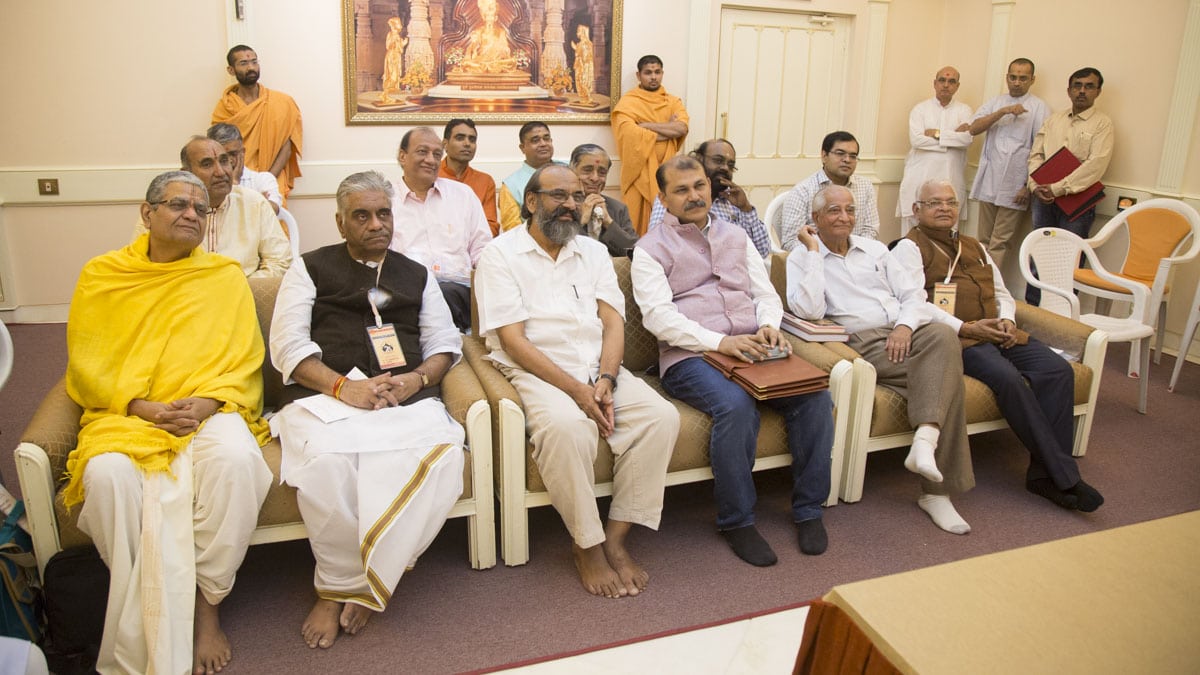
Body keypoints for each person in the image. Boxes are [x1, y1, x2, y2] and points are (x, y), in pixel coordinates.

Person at [66, 171, 272, 675]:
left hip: (210, 408)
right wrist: (142, 408)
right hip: (128, 414)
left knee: (238, 461)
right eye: (178, 205)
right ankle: (148, 611)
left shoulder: (223, 276)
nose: (190, 215)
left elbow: (245, 359)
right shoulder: (103, 275)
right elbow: (88, 364)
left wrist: (206, 402)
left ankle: (207, 608)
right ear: (147, 212)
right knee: (107, 477)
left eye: (200, 210)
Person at [269, 171, 466, 649]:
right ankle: (338, 585)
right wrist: (343, 388)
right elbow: (287, 347)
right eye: (362, 215)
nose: (377, 224)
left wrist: (417, 378)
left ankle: (375, 572)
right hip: (325, 399)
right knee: (327, 466)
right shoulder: (309, 267)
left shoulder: (415, 274)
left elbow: (443, 342)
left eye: (384, 214)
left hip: (404, 397)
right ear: (340, 222)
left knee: (444, 458)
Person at [475, 164, 679, 599]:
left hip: (596, 365)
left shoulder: (593, 252)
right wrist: (577, 392)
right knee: (568, 428)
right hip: (536, 368)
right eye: (558, 196)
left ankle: (617, 538)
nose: (570, 205)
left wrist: (605, 378)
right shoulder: (499, 254)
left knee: (660, 417)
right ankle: (586, 545)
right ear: (532, 202)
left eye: (576, 196)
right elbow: (513, 340)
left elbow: (613, 321)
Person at [633, 156, 834, 566]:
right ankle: (737, 520)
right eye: (682, 190)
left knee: (812, 397)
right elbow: (658, 319)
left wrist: (768, 326)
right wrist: (720, 342)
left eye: (699, 186)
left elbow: (764, 294)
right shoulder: (649, 249)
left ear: (710, 187)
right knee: (736, 406)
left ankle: (809, 510)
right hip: (692, 356)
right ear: (664, 198)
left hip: (752, 346)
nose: (694, 196)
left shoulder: (736, 234)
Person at [893, 180, 1104, 512]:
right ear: (917, 209)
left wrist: (1007, 319)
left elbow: (1003, 292)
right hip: (962, 339)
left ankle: (1041, 476)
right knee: (1009, 380)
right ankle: (1065, 477)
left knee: (1057, 370)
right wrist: (967, 326)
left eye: (951, 202)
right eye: (935, 203)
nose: (945, 208)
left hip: (1002, 332)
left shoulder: (974, 244)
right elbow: (914, 303)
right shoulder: (908, 248)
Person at [787, 184, 975, 535]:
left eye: (850, 210)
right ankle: (936, 492)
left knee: (944, 337)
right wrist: (813, 251)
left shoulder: (875, 249)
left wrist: (904, 327)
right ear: (815, 219)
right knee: (946, 375)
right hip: (863, 341)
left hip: (905, 332)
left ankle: (925, 441)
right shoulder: (801, 258)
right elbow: (809, 310)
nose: (844, 217)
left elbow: (913, 296)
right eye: (833, 211)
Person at [134, 136, 292, 278]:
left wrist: (236, 288)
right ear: (187, 173)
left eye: (224, 161)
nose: (221, 172)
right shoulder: (163, 209)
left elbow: (280, 261)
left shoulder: (254, 203)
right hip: (179, 294)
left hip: (240, 296)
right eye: (207, 164)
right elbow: (140, 262)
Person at [389, 127, 493, 332]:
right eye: (422, 152)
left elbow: (482, 248)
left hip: (458, 290)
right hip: (406, 291)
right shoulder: (385, 199)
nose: (431, 159)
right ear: (402, 156)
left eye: (437, 154)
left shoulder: (462, 195)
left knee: (445, 295)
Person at [1026, 67, 1114, 304]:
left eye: (1089, 86)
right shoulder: (1054, 120)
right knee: (1038, 254)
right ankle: (1034, 313)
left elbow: (1095, 165)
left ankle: (1062, 315)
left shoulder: (1102, 124)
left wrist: (1057, 188)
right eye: (1077, 86)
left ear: (1098, 91)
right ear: (1069, 90)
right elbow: (1036, 155)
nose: (1082, 91)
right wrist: (1035, 186)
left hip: (1077, 202)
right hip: (1043, 199)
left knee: (1069, 260)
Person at [968, 58, 1049, 268]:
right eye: (1013, 77)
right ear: (1007, 77)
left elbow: (1041, 150)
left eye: (1023, 78)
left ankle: (993, 287)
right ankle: (980, 282)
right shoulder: (996, 102)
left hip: (1016, 184)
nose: (1017, 82)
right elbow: (974, 128)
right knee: (983, 240)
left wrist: (1027, 185)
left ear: (1032, 80)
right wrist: (1002, 112)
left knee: (1000, 241)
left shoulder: (1039, 107)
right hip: (989, 180)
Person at [647, 139, 771, 257]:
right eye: (718, 160)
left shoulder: (733, 199)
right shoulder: (674, 198)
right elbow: (656, 247)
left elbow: (762, 251)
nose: (725, 168)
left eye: (730, 165)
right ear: (699, 159)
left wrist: (746, 209)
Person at [211, 45, 303, 200]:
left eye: (254, 62)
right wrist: (237, 180)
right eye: (243, 63)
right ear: (231, 70)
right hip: (235, 181)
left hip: (271, 179)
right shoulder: (225, 108)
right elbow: (220, 150)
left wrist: (265, 181)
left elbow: (286, 148)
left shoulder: (282, 103)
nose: (251, 67)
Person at [611, 55, 689, 234]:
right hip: (638, 174)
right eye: (648, 73)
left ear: (662, 73)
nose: (653, 77)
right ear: (639, 75)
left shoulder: (673, 102)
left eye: (657, 72)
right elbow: (628, 134)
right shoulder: (628, 103)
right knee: (634, 225)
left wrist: (645, 127)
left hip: (668, 174)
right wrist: (667, 129)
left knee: (668, 223)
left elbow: (681, 128)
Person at [896, 67, 973, 233]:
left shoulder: (964, 110)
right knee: (912, 235)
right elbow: (916, 140)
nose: (946, 85)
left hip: (951, 177)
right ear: (935, 83)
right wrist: (952, 139)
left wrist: (937, 134)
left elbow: (966, 139)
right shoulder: (920, 109)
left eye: (951, 81)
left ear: (957, 86)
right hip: (919, 177)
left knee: (948, 234)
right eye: (942, 80)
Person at [780, 131, 879, 248]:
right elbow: (790, 241)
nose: (847, 160)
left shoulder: (865, 186)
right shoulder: (803, 191)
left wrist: (853, 253)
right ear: (824, 156)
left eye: (853, 156)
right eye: (840, 153)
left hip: (857, 257)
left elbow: (870, 230)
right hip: (817, 258)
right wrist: (824, 254)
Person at [569, 143, 638, 256]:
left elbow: (634, 252)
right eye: (587, 170)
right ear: (572, 171)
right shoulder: (563, 206)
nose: (595, 178)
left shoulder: (618, 208)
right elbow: (558, 247)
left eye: (602, 172)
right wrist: (582, 221)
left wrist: (608, 222)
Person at [439, 118, 500, 235]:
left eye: (472, 140)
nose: (467, 144)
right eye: (460, 138)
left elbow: (491, 227)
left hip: (474, 249)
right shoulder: (431, 177)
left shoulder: (485, 181)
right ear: (445, 144)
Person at [207, 122, 283, 214]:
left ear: (243, 152)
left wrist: (234, 186)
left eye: (233, 154)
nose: (229, 160)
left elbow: (271, 211)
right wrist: (257, 201)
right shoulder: (207, 181)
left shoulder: (262, 179)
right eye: (223, 157)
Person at [499, 122, 561, 231]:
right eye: (535, 140)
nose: (543, 144)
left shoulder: (568, 170)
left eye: (546, 138)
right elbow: (513, 231)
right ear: (522, 147)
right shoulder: (511, 186)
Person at [572, 25, 596, 105]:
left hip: (583, 66)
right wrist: (576, 48)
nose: (577, 32)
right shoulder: (582, 43)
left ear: (583, 32)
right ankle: (583, 98)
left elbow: (585, 57)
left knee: (583, 81)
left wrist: (576, 48)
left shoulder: (586, 43)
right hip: (580, 65)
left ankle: (587, 98)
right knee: (579, 81)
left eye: (578, 30)